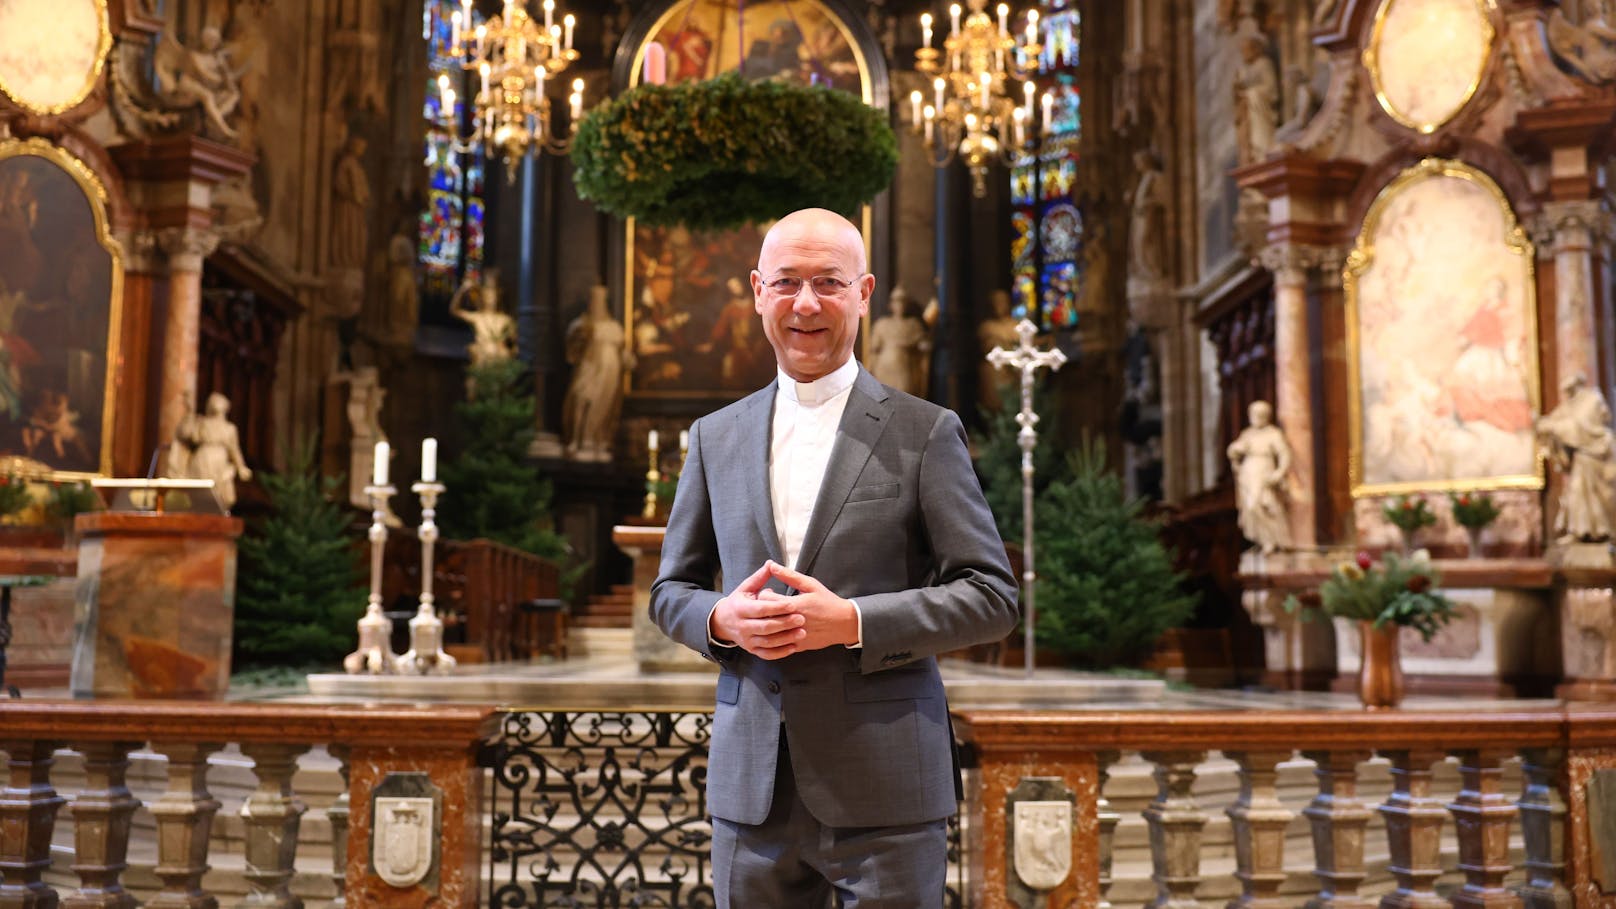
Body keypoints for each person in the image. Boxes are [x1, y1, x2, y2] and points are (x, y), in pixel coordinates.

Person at [651, 208, 1018, 907]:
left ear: (864, 291)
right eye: (787, 282)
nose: (807, 303)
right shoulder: (714, 437)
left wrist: (851, 619)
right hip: (752, 790)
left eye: (828, 282)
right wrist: (722, 618)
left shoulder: (925, 431)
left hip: (885, 785)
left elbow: (993, 596)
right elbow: (671, 589)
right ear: (758, 290)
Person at [1536, 374, 1616, 542]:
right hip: (1582, 458)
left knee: (1593, 495)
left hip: (1594, 455)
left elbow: (1581, 428)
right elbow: (1558, 418)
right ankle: (1581, 531)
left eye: (1569, 390)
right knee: (1577, 494)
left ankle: (1599, 531)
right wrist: (1543, 423)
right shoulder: (1573, 403)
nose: (1567, 395)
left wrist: (1553, 427)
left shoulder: (1591, 400)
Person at [562, 285, 628, 462]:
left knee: (602, 404)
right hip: (588, 368)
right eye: (594, 300)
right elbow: (571, 352)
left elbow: (623, 353)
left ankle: (595, 440)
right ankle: (577, 438)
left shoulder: (614, 327)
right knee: (581, 397)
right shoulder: (581, 324)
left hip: (609, 372)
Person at [1227, 400, 1292, 553]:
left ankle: (1274, 539)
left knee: (1260, 504)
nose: (1256, 416)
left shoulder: (1273, 434)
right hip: (1248, 474)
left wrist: (1279, 472)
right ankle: (1262, 539)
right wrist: (1234, 452)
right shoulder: (1247, 434)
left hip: (1263, 470)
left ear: (1266, 415)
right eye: (1254, 413)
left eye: (1260, 413)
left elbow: (1284, 454)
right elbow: (1234, 451)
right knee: (1249, 508)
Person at [867, 286, 930, 396]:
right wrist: (869, 371)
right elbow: (874, 350)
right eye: (896, 302)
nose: (900, 305)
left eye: (902, 301)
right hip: (884, 368)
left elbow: (922, 345)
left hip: (905, 368)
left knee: (904, 398)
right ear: (891, 305)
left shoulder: (913, 324)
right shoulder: (882, 324)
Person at [449, 270, 516, 368]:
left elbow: (515, 343)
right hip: (481, 358)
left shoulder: (505, 319)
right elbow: (454, 310)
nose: (490, 298)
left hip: (499, 361)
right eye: (487, 295)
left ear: (499, 296)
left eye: (493, 295)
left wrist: (509, 353)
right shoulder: (477, 317)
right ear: (483, 296)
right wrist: (463, 289)